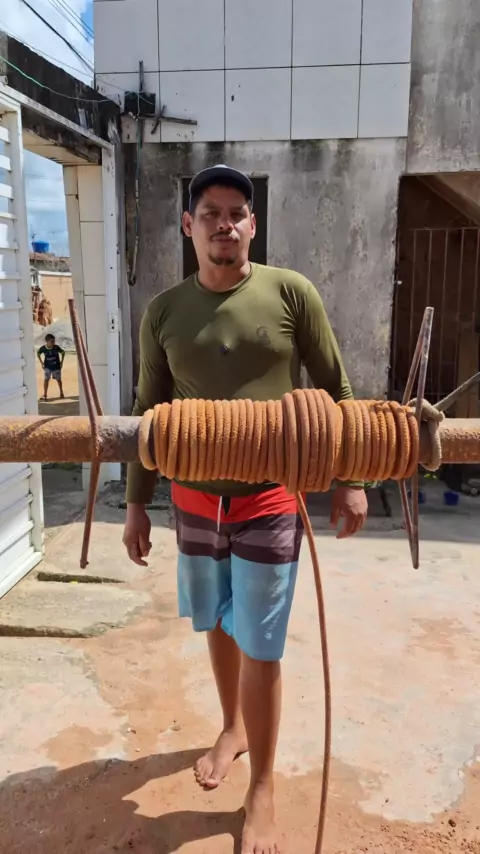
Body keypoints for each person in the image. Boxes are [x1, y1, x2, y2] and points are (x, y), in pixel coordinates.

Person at [123, 165, 368, 854]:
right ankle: (232, 727)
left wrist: (351, 477)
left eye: (236, 213)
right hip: (194, 500)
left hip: (269, 500)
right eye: (210, 213)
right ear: (189, 225)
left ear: (253, 225)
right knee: (217, 622)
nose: (224, 224)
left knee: (261, 642)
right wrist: (136, 504)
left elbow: (338, 389)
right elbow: (146, 412)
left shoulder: (291, 293)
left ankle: (262, 784)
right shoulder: (163, 312)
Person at [37, 333, 65, 401]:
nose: (53, 343)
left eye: (54, 341)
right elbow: (38, 353)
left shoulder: (56, 347)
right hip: (47, 367)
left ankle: (61, 392)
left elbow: (63, 352)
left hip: (56, 367)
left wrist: (61, 362)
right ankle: (45, 394)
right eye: (52, 341)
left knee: (58, 380)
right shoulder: (43, 348)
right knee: (46, 380)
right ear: (47, 341)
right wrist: (41, 363)